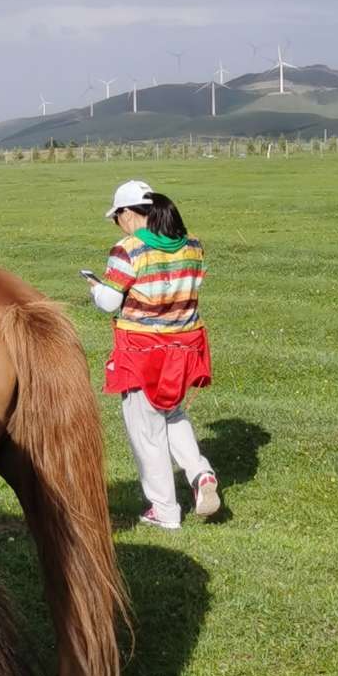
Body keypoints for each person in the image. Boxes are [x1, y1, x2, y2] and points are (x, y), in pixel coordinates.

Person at [87, 180, 220, 528]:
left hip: (142, 350)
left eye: (117, 217)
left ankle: (164, 511)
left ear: (128, 214)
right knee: (172, 414)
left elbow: (110, 302)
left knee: (145, 431)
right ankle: (201, 474)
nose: (117, 224)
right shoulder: (193, 246)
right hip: (184, 346)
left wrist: (95, 289)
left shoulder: (128, 250)